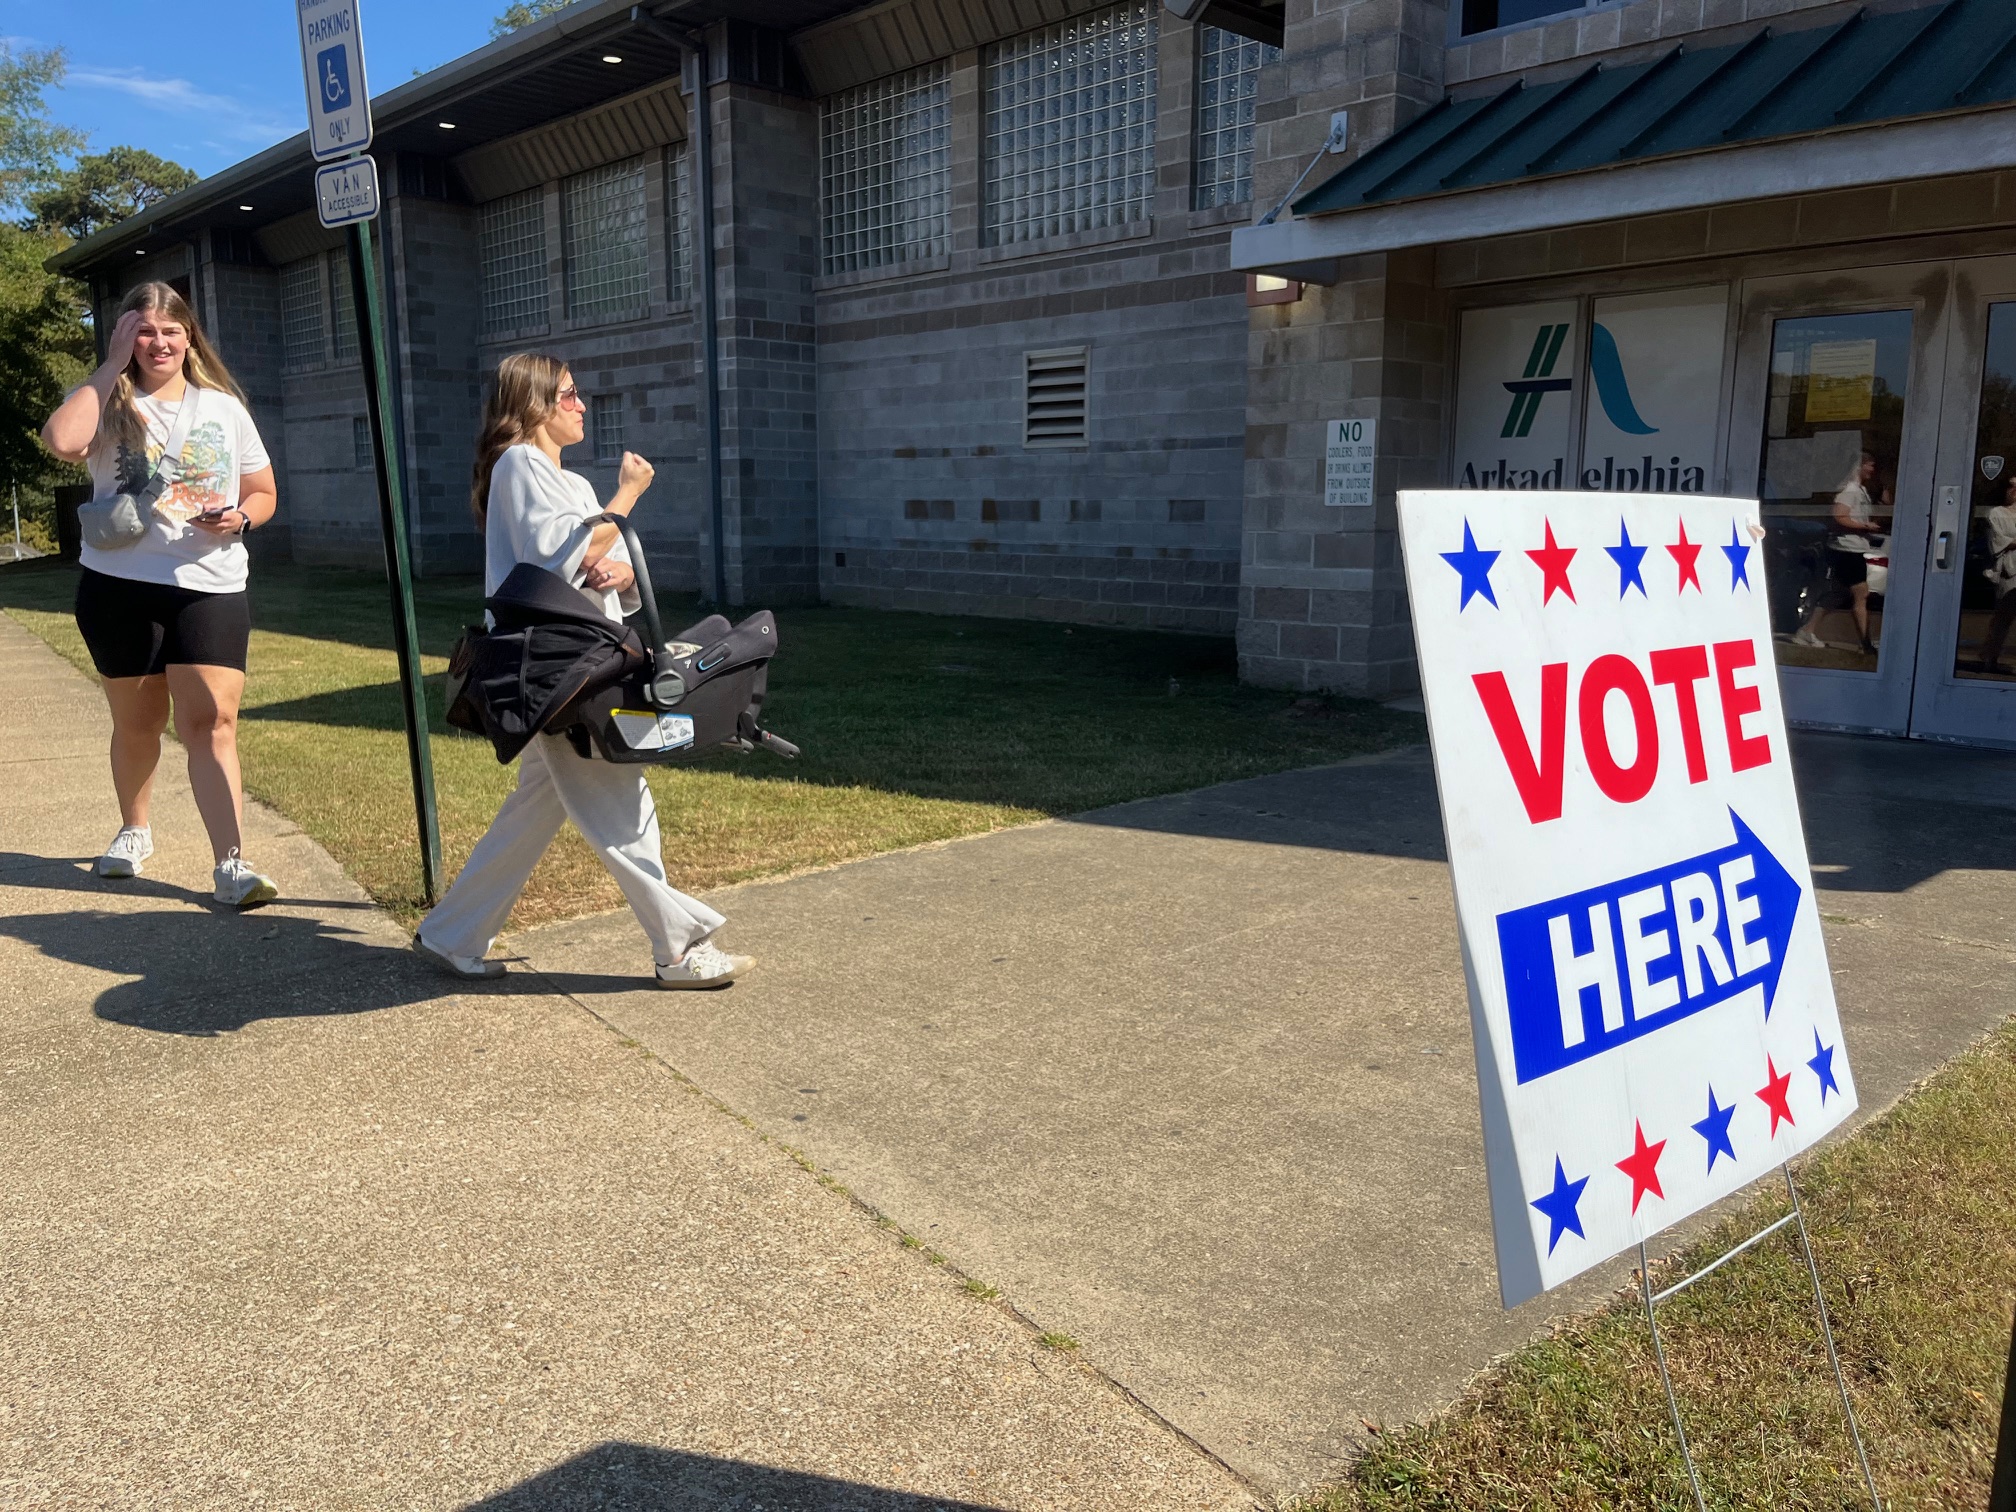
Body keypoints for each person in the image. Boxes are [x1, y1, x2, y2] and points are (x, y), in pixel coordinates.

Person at [412, 353, 751, 988]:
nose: (581, 405)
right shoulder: (520, 465)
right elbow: (556, 554)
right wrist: (629, 493)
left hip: (574, 661)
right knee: (620, 803)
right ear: (535, 404)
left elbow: (602, 560)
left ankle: (452, 933)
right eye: (568, 394)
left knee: (540, 806)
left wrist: (619, 571)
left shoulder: (568, 483)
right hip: (563, 668)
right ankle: (676, 951)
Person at [38, 282, 280, 906]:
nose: (158, 341)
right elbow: (62, 442)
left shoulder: (223, 408)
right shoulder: (106, 401)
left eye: (169, 330)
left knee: (214, 723)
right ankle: (134, 829)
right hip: (118, 587)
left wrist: (242, 519)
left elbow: (262, 490)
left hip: (209, 585)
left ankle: (231, 864)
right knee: (138, 723)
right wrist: (109, 366)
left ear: (189, 335)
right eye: (143, 330)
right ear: (125, 336)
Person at [1792, 451, 1883, 656]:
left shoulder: (1860, 491)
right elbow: (1839, 515)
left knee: (1839, 593)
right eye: (1869, 465)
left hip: (1852, 547)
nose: (1872, 469)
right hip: (1847, 549)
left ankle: (1807, 630)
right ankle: (1866, 643)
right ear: (1859, 466)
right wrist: (1864, 525)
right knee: (1861, 593)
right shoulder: (1850, 491)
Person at [1977, 476, 2016, 673]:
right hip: (2009, 569)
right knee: (2003, 616)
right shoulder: (1997, 513)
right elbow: (2000, 541)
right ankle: (1989, 656)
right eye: (2012, 487)